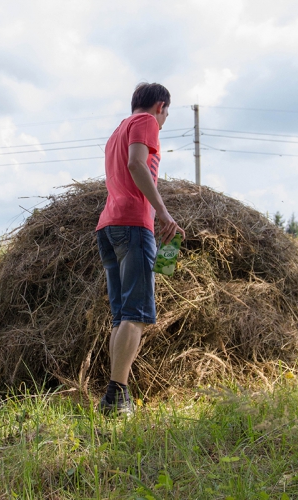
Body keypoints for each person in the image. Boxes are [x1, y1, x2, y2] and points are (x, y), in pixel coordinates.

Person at [96, 82, 185, 415]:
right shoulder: (145, 122)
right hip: (133, 224)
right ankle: (116, 398)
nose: (164, 122)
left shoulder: (117, 131)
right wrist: (161, 212)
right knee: (136, 316)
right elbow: (136, 164)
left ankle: (116, 395)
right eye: (167, 114)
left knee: (121, 318)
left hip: (109, 226)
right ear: (159, 106)